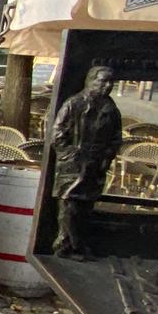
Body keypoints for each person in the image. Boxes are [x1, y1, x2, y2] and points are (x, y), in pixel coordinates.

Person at [51, 64, 122, 258]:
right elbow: (57, 134)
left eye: (111, 82)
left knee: (85, 207)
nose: (107, 86)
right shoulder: (74, 104)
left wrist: (106, 157)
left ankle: (78, 244)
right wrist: (72, 156)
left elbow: (116, 137)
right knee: (69, 206)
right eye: (103, 81)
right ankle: (66, 245)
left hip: (95, 164)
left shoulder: (110, 108)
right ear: (91, 81)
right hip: (73, 165)